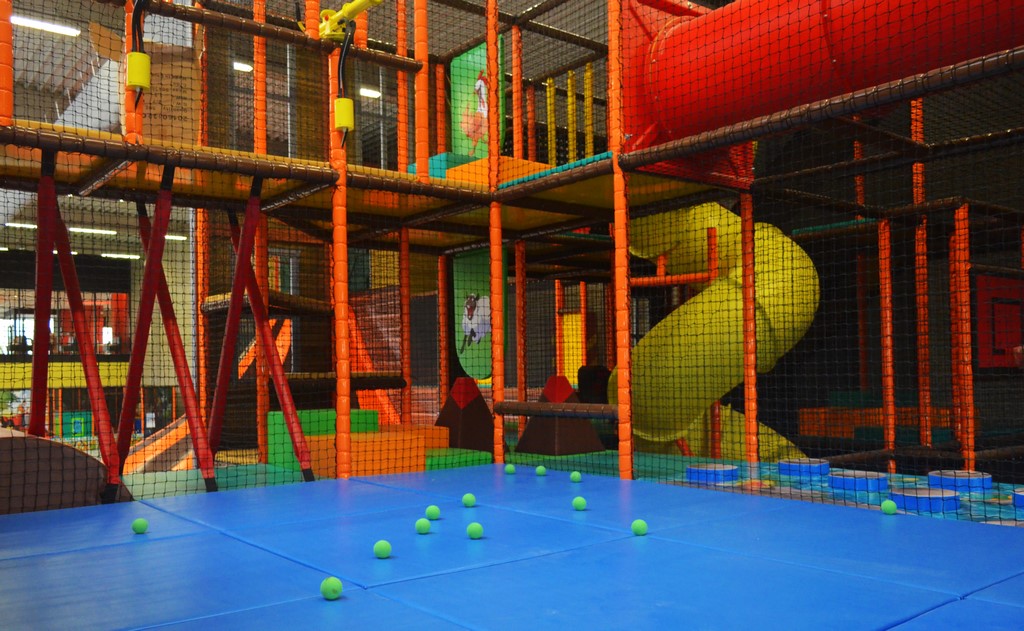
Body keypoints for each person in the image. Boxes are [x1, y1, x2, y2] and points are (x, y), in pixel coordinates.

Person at [459, 70, 488, 156]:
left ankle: (475, 148)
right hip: (481, 110)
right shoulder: (480, 86)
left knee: (479, 127)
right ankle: (475, 147)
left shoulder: (481, 86)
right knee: (478, 128)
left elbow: (477, 89)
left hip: (482, 110)